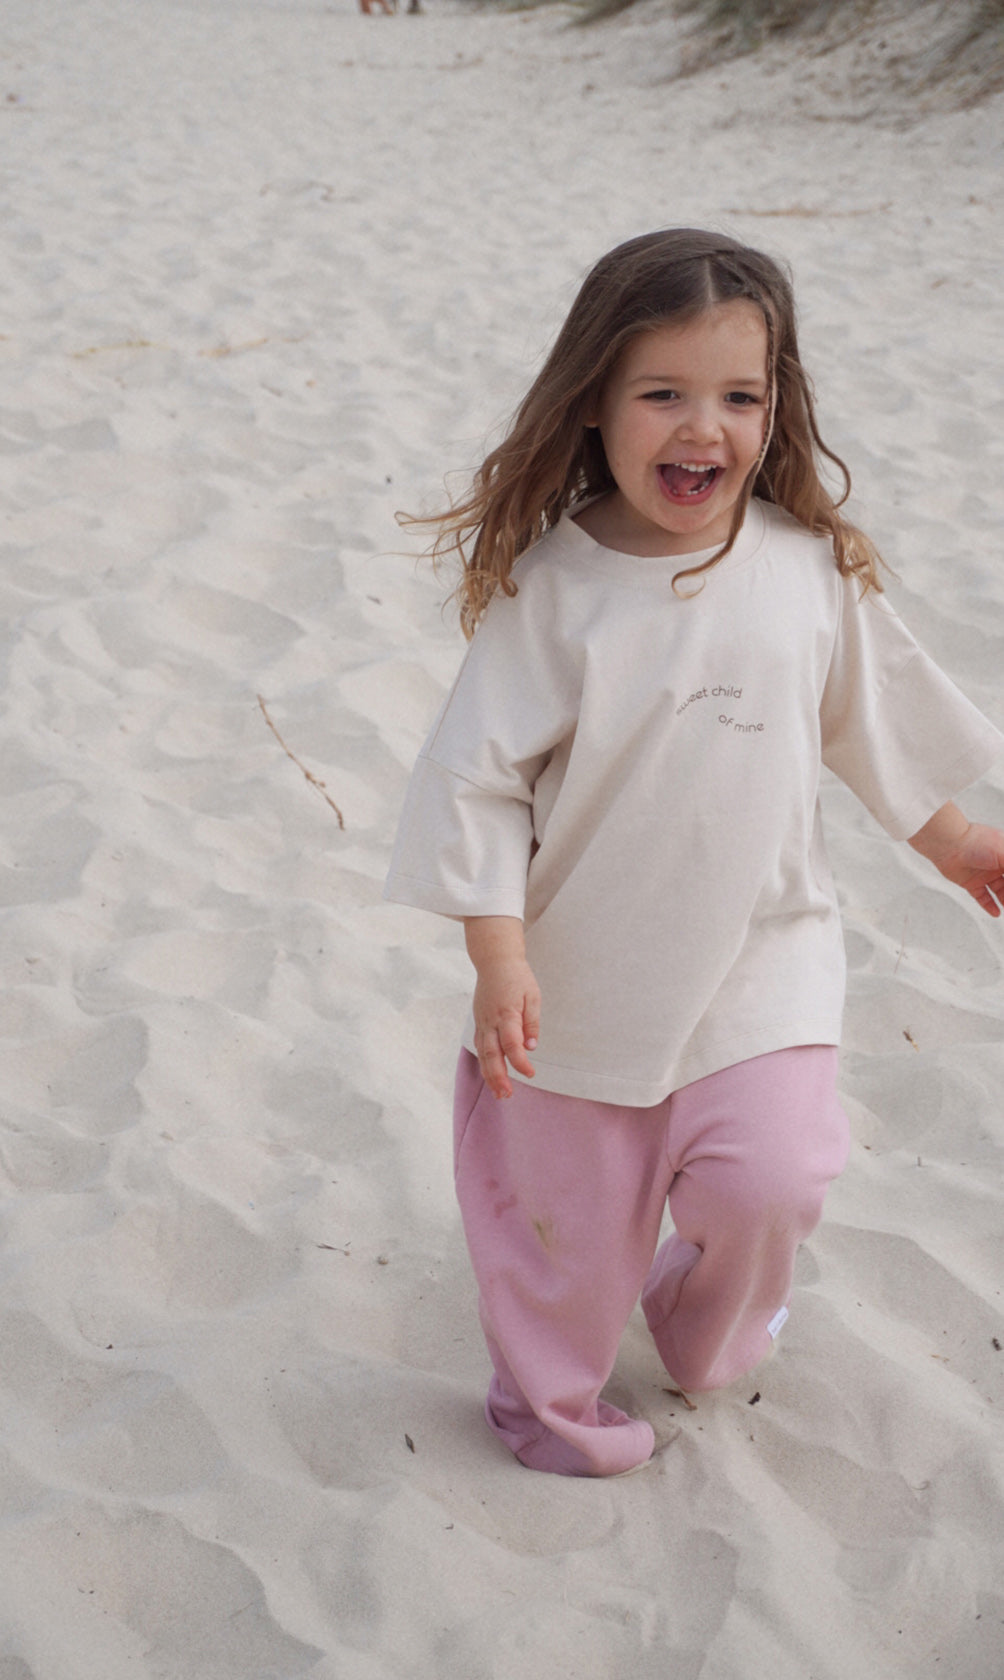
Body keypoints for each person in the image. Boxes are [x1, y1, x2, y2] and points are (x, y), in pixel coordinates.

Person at [383, 229, 1004, 1478]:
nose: (700, 429)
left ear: (776, 409)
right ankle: (547, 1409)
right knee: (564, 1237)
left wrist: (955, 839)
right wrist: (496, 956)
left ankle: (696, 1324)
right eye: (660, 393)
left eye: (738, 396)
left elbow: (861, 718)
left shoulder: (803, 565)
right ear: (594, 406)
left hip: (763, 956)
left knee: (771, 1180)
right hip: (581, 975)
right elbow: (478, 784)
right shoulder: (553, 592)